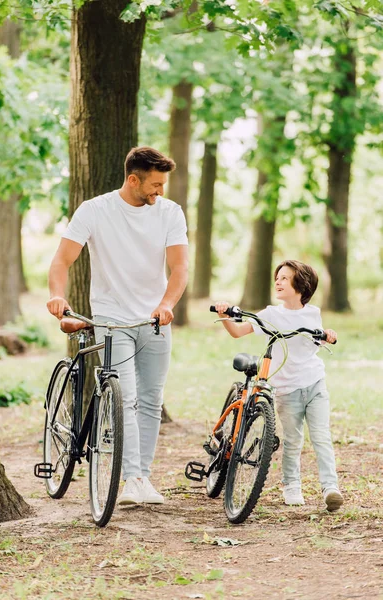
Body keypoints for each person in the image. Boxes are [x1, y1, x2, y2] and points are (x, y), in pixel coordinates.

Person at [47, 146, 189, 506]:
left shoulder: (170, 212)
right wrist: (56, 296)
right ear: (133, 179)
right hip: (112, 317)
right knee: (125, 396)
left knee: (152, 399)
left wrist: (166, 304)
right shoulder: (95, 210)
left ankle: (143, 477)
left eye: (163, 184)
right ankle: (129, 481)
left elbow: (180, 268)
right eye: (155, 184)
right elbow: (62, 261)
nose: (160, 191)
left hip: (154, 319)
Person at [214, 259, 343, 512]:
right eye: (278, 277)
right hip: (288, 389)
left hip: (315, 383)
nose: (278, 281)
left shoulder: (312, 313)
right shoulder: (271, 314)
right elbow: (238, 332)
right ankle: (291, 485)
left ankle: (330, 487)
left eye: (285, 278)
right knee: (293, 440)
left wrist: (328, 334)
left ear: (302, 285)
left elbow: (319, 340)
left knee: (321, 437)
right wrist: (224, 315)